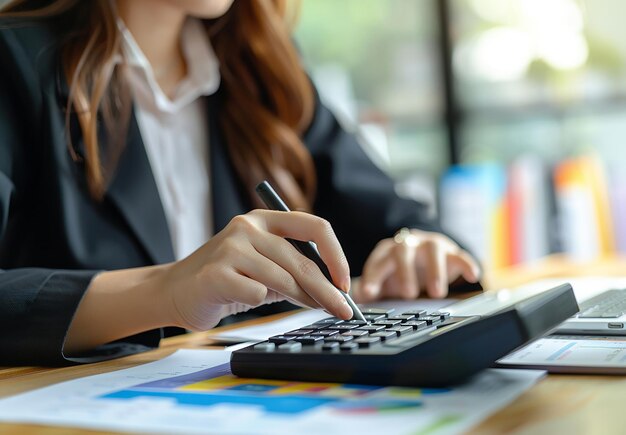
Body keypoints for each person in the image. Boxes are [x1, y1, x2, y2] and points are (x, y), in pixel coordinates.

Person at [0, 0, 480, 366]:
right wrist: (167, 290)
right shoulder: (14, 61)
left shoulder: (260, 71)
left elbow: (401, 222)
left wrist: (417, 249)